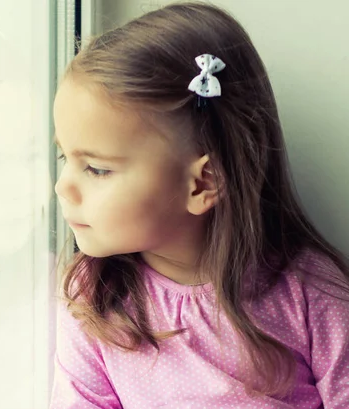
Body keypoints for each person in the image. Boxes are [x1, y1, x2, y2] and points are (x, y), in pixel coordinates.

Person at [49, 2, 349, 408]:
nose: (62, 187)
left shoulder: (312, 294)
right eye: (65, 158)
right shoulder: (94, 298)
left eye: (97, 169)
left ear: (203, 183)